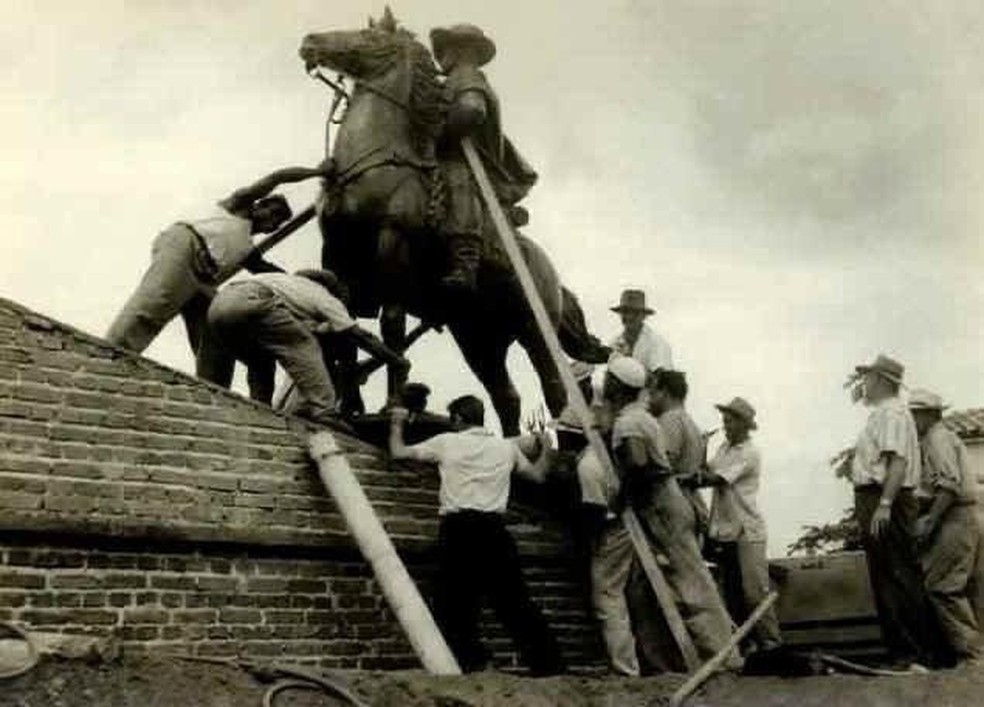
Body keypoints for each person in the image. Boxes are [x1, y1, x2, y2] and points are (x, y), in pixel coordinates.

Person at [388, 395, 565, 675]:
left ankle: (473, 664)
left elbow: (398, 452)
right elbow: (538, 476)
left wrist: (397, 423)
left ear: (458, 419)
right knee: (515, 602)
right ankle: (550, 667)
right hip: (493, 530)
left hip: (458, 530)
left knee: (453, 603)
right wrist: (546, 447)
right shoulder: (504, 448)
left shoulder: (447, 442)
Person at [105, 164, 329, 355]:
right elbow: (277, 178)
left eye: (276, 223)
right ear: (260, 205)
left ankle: (210, 381)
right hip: (186, 245)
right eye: (272, 213)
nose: (271, 223)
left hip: (202, 279)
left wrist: (307, 288)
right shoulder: (239, 205)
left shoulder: (246, 248)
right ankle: (112, 352)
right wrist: (317, 172)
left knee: (214, 325)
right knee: (155, 302)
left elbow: (269, 272)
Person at [604, 356, 738, 669]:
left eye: (609, 380)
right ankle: (667, 661)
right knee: (653, 585)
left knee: (690, 583)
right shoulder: (641, 417)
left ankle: (724, 656)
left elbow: (637, 463)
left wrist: (622, 497)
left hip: (661, 503)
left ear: (618, 386)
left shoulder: (631, 422)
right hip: (664, 501)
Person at [197, 269, 408, 425]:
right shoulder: (321, 294)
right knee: (305, 345)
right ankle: (324, 410)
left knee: (261, 362)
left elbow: (295, 328)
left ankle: (259, 412)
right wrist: (394, 359)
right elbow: (358, 335)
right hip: (253, 299)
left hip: (217, 308)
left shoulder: (284, 284)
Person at [846, 354, 946, 667]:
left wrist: (884, 505)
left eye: (868, 378)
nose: (864, 383)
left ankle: (913, 653)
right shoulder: (883, 414)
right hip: (877, 496)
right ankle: (907, 653)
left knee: (896, 574)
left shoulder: (892, 413)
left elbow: (898, 463)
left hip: (884, 496)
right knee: (888, 573)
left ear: (881, 381)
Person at [429, 24, 538, 293]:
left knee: (458, 178)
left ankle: (467, 259)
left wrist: (439, 132)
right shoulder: (448, 82)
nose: (441, 55)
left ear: (464, 51)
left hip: (473, 162)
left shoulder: (468, 77)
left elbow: (471, 111)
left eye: (446, 49)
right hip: (440, 153)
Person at [700, 396, 781, 654]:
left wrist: (691, 477)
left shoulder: (749, 452)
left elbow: (715, 479)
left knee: (755, 592)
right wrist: (701, 448)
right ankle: (746, 647)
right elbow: (706, 469)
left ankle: (772, 644)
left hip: (748, 530)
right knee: (732, 592)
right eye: (724, 420)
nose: (725, 425)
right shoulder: (724, 448)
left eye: (730, 421)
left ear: (744, 425)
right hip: (726, 532)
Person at [909, 389, 984, 664]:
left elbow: (948, 485)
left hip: (954, 516)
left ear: (927, 414)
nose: (911, 420)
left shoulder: (936, 439)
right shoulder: (947, 437)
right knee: (970, 586)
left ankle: (972, 655)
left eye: (914, 414)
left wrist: (930, 521)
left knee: (942, 586)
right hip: (969, 515)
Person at [648, 370, 710, 540]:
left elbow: (663, 466)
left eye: (653, 392)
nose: (649, 398)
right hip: (690, 504)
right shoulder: (690, 423)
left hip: (672, 507)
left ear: (664, 392)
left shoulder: (669, 420)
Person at [609, 290, 673, 375]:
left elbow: (662, 378)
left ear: (644, 316)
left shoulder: (656, 343)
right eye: (625, 312)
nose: (629, 317)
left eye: (635, 313)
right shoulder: (614, 343)